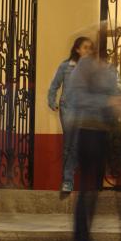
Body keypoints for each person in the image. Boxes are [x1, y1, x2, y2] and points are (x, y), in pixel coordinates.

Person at [70, 52, 121, 241]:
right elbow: (76, 98)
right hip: (87, 131)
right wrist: (107, 101)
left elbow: (115, 96)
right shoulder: (84, 67)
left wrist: (117, 103)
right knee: (87, 189)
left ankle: (84, 240)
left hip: (103, 133)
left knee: (93, 190)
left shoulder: (108, 71)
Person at [48, 37, 94, 193]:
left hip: (85, 110)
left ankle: (72, 179)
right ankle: (68, 180)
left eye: (90, 48)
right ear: (77, 49)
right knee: (70, 144)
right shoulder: (66, 66)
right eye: (85, 47)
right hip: (68, 109)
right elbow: (54, 85)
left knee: (79, 145)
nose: (88, 51)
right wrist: (51, 101)